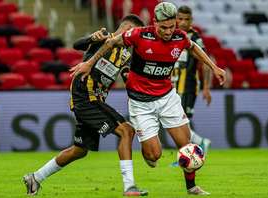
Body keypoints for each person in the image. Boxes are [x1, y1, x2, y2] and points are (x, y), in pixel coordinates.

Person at [70, 2, 226, 195]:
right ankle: (149, 153)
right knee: (154, 155)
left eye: (171, 27)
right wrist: (89, 63)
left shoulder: (180, 37)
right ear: (155, 23)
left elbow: (193, 47)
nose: (168, 32)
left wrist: (214, 67)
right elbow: (111, 42)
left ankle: (191, 187)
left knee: (187, 146)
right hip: (141, 103)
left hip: (167, 98)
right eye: (164, 27)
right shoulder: (140, 35)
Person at [23, 14, 148, 196]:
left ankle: (35, 178)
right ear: (127, 29)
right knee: (126, 131)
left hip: (95, 99)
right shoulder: (105, 37)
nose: (135, 39)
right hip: (85, 95)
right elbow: (77, 45)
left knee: (79, 150)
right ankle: (129, 187)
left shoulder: (127, 54)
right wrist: (91, 37)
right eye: (135, 33)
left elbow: (128, 77)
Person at [174, 5, 212, 153]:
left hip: (188, 86)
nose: (183, 22)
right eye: (180, 19)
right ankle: (200, 143)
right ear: (176, 19)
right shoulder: (172, 34)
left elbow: (206, 63)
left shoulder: (195, 38)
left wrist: (207, 87)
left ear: (191, 20)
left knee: (181, 123)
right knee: (177, 122)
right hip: (173, 86)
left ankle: (187, 154)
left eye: (186, 19)